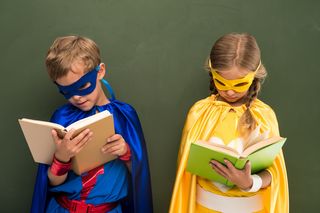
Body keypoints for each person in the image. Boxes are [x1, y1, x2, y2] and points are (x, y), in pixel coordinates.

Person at [30, 35, 153, 213]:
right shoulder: (62, 117)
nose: (77, 97)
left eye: (82, 86)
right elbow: (49, 182)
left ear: (100, 71)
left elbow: (139, 176)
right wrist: (62, 158)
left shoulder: (125, 115)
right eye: (67, 92)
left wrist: (126, 152)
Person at [169, 33, 289, 212]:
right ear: (212, 73)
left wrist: (249, 182)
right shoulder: (200, 112)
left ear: (254, 76)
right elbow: (186, 173)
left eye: (239, 84)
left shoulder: (263, 115)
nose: (230, 92)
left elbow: (275, 172)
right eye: (222, 83)